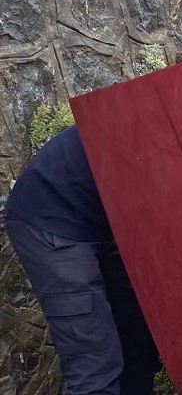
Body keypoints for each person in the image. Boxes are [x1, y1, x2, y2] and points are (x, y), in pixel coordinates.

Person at [5, 126, 160, 395]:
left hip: (104, 221)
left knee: (137, 338)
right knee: (94, 359)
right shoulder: (169, 120)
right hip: (50, 218)